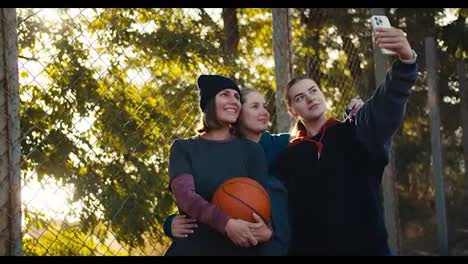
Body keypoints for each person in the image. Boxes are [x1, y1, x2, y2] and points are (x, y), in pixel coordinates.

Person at [163, 86, 365, 255]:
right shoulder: (221, 151)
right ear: (238, 114)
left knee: (273, 187)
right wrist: (171, 222)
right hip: (233, 231)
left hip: (281, 231)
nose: (264, 112)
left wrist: (349, 117)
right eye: (255, 106)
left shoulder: (283, 143)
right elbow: (209, 192)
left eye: (265, 106)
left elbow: (319, 137)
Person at [273, 26, 418, 255]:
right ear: (292, 110)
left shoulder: (356, 131)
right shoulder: (287, 157)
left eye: (313, 90)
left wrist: (406, 61)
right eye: (300, 97)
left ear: (322, 94)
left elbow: (387, 102)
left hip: (369, 248)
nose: (310, 98)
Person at [164, 74, 272, 256]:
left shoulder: (251, 151)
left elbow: (262, 201)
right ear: (209, 102)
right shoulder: (183, 148)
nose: (233, 101)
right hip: (196, 246)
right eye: (225, 94)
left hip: (241, 248)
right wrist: (226, 224)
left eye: (237, 97)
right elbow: (186, 197)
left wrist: (266, 230)